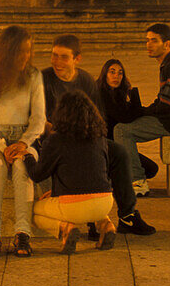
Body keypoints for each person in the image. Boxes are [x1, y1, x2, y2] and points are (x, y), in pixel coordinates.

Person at [40, 35, 155, 237]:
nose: (56, 62)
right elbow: (35, 115)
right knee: (76, 156)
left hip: (84, 136)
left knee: (118, 152)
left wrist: (91, 137)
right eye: (54, 55)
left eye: (63, 57)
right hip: (54, 138)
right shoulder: (43, 79)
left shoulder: (84, 80)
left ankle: (128, 215)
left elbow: (98, 115)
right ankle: (93, 219)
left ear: (77, 59)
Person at [0, 25, 46, 259]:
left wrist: (23, 144)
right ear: (6, 52)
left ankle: (23, 232)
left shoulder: (33, 76)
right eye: (20, 51)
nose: (25, 57)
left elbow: (39, 119)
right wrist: (4, 147)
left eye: (28, 51)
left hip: (26, 139)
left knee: (23, 168)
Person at [23, 90, 117, 254]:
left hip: (73, 207)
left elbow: (37, 174)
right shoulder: (100, 138)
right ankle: (106, 224)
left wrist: (27, 157)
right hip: (105, 202)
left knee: (31, 212)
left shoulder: (56, 140)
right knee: (90, 204)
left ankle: (66, 228)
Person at [113, 23, 170, 196]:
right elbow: (165, 100)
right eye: (147, 41)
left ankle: (138, 182)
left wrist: (145, 112)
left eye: (154, 41)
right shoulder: (169, 63)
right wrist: (145, 111)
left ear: (167, 44)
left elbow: (169, 107)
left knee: (122, 131)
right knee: (128, 123)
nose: (149, 45)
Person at [98, 58, 159, 181]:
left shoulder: (116, 93)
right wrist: (132, 92)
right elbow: (126, 117)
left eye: (120, 73)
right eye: (112, 72)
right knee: (147, 169)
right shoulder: (101, 93)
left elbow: (134, 112)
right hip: (104, 147)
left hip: (118, 144)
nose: (116, 76)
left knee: (151, 169)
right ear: (105, 75)